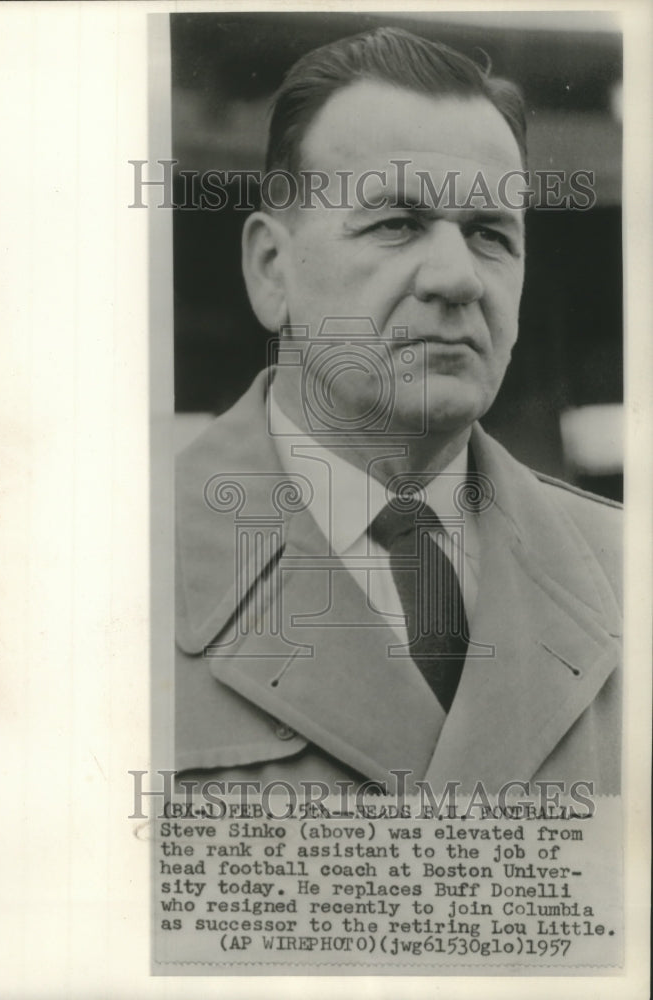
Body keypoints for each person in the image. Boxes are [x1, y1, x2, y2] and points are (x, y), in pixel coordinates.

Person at [174, 27, 622, 795]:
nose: (457, 279)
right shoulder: (108, 572)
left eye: (490, 234)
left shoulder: (629, 575)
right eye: (395, 224)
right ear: (271, 270)